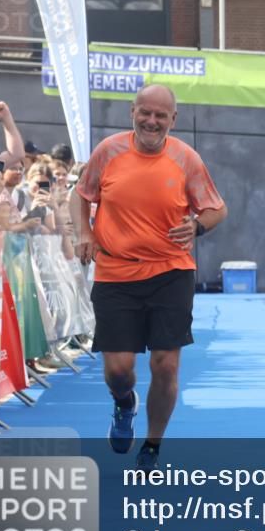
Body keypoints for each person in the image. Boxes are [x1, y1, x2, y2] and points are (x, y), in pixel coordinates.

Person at [70, 84, 227, 471]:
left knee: (165, 365)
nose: (152, 121)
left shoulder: (186, 159)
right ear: (133, 113)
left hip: (170, 272)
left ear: (173, 120)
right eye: (146, 113)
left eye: (161, 116)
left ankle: (153, 445)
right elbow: (81, 195)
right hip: (116, 273)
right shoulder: (109, 151)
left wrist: (197, 228)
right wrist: (84, 233)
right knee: (119, 371)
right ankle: (124, 405)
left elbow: (216, 209)